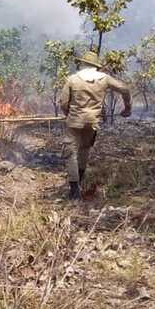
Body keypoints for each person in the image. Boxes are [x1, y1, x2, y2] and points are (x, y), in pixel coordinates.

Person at [60, 51, 132, 200]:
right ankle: (80, 181)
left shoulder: (72, 79)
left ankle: (74, 190)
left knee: (70, 152)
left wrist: (68, 114)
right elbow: (125, 89)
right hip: (93, 121)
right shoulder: (104, 79)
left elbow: (64, 103)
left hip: (75, 121)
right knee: (84, 150)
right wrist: (127, 108)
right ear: (95, 66)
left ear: (82, 64)